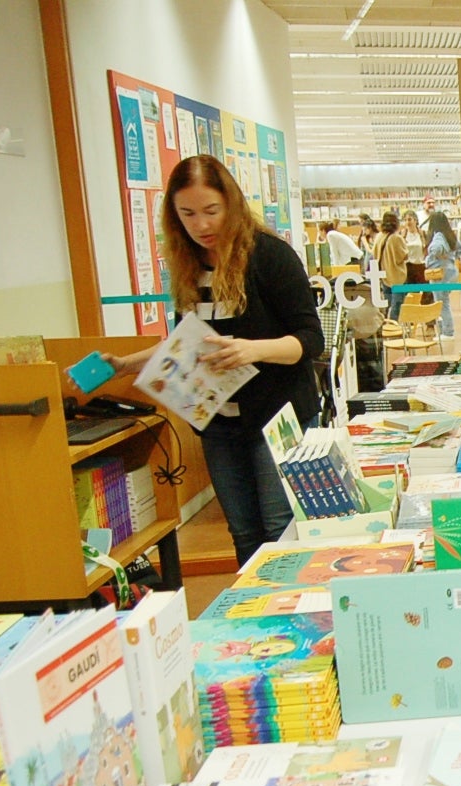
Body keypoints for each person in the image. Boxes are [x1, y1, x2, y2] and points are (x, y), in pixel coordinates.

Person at [94, 154, 323, 564]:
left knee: (279, 529)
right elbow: (191, 342)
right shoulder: (187, 264)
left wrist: (254, 349)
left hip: (277, 416)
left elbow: (310, 339)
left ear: (231, 204)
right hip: (218, 421)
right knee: (244, 531)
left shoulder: (269, 255)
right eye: (188, 214)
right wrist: (127, 364)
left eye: (211, 211)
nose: (202, 225)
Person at [423, 210, 460, 338]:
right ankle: (445, 331)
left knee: (442, 303)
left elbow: (436, 249)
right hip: (450, 271)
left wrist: (430, 258)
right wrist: (453, 258)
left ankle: (447, 332)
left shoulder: (438, 235)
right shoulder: (450, 235)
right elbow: (460, 248)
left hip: (440, 273)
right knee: (444, 301)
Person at [375, 210, 409, 319]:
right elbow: (402, 256)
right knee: (397, 305)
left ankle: (386, 326)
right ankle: (395, 327)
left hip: (384, 276)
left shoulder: (379, 236)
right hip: (396, 276)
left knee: (387, 304)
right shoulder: (396, 238)